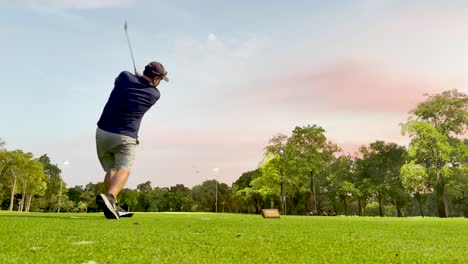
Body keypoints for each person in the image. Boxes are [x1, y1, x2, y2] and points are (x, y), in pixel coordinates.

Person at [95, 61, 168, 219]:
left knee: (111, 170)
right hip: (125, 137)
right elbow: (144, 86)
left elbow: (120, 80)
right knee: (124, 168)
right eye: (160, 79)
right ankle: (110, 197)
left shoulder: (124, 77)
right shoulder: (154, 95)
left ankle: (113, 207)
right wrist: (140, 79)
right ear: (155, 79)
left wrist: (136, 77)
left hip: (102, 133)